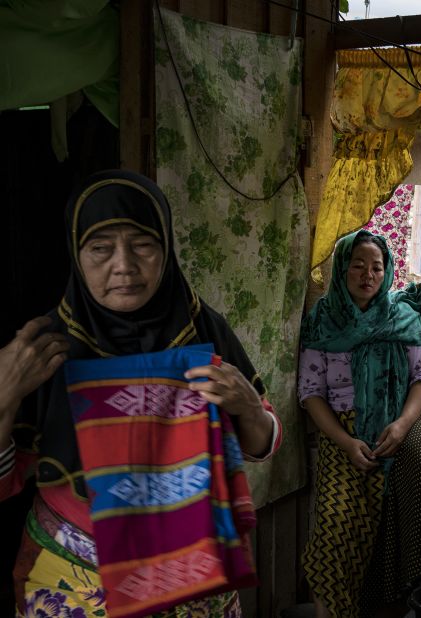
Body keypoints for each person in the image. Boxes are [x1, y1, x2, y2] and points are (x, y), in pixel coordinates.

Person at [0, 170, 281, 617]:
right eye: (100, 248)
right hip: (74, 581)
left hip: (196, 577)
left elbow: (261, 442)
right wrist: (3, 397)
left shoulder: (204, 330)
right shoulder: (43, 348)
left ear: (166, 247)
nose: (124, 265)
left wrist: (250, 406)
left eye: (142, 244)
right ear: (76, 253)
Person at [299, 230, 421, 618]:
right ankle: (334, 609)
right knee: (335, 519)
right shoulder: (323, 321)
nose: (368, 275)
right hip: (345, 426)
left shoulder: (401, 317)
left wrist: (403, 425)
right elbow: (310, 392)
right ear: (342, 269)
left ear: (387, 271)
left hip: (401, 414)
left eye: (377, 267)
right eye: (357, 265)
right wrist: (345, 442)